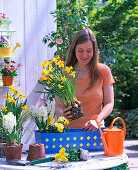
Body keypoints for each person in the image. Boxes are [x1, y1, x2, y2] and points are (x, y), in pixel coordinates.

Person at [55, 28, 115, 131]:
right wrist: (63, 117)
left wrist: (97, 120)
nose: (84, 55)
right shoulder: (65, 73)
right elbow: (58, 106)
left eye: (89, 51)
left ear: (94, 50)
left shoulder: (103, 71)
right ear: (74, 50)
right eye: (80, 50)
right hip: (69, 132)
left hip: (96, 131)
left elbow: (109, 103)